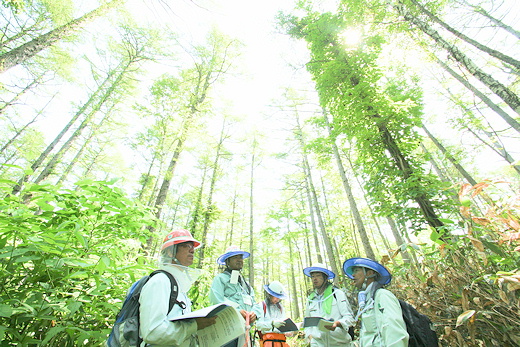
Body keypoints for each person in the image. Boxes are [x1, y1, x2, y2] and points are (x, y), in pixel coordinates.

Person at [138, 229, 217, 346]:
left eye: (193, 246)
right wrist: (194, 326)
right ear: (170, 252)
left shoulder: (178, 286)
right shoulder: (160, 282)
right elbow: (152, 332)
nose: (192, 250)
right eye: (186, 246)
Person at [343, 257, 409, 347]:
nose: (353, 275)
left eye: (357, 271)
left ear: (370, 273)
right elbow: (370, 335)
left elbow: (395, 333)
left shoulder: (382, 296)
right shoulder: (368, 301)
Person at [209, 245, 261, 347]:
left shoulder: (246, 285)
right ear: (227, 261)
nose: (239, 260)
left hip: (245, 332)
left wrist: (255, 314)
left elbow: (255, 303)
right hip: (227, 332)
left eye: (240, 257)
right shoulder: (220, 279)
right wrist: (237, 312)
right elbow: (216, 301)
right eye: (235, 257)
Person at [303, 263, 355, 347]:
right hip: (318, 344)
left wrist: (337, 323)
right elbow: (307, 324)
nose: (315, 279)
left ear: (325, 278)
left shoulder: (337, 294)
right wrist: (310, 337)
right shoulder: (310, 299)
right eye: (312, 276)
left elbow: (349, 318)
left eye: (318, 275)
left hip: (340, 343)